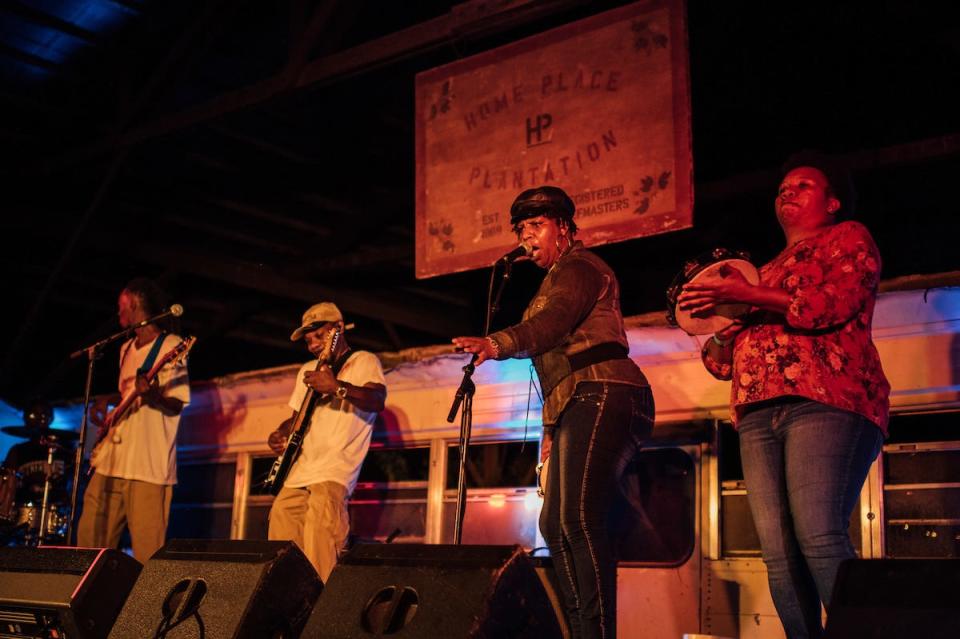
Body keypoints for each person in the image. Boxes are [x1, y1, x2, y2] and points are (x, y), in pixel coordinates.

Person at [678, 153, 890, 639]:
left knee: (819, 535)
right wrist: (722, 326)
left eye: (803, 185)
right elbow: (719, 363)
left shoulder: (847, 238)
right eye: (782, 187)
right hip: (756, 412)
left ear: (833, 202)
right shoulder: (761, 270)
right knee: (776, 551)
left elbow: (828, 306)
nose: (787, 191)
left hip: (827, 401)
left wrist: (751, 299)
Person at [453, 186, 655, 639]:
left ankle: (596, 633)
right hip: (575, 401)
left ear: (563, 226)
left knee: (579, 517)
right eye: (521, 229)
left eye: (536, 225)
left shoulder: (581, 267)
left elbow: (553, 323)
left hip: (607, 390)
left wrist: (496, 343)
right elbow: (553, 364)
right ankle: (582, 629)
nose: (526, 237)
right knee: (553, 521)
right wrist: (549, 429)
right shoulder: (551, 280)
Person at [266, 302, 386, 583]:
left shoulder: (363, 361)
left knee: (321, 535)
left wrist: (337, 387)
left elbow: (377, 400)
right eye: (308, 340)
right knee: (280, 524)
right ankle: (287, 599)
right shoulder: (307, 369)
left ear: (337, 330)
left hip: (335, 469)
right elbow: (296, 418)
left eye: (317, 336)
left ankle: (321, 606)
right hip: (300, 471)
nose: (312, 345)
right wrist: (280, 432)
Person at [77, 278, 190, 561]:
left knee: (147, 553)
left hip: (148, 467)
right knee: (89, 544)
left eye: (121, 307)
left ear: (135, 305)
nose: (119, 315)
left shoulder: (172, 345)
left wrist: (151, 396)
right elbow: (127, 392)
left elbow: (176, 403)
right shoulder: (125, 348)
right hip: (112, 461)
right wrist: (107, 403)